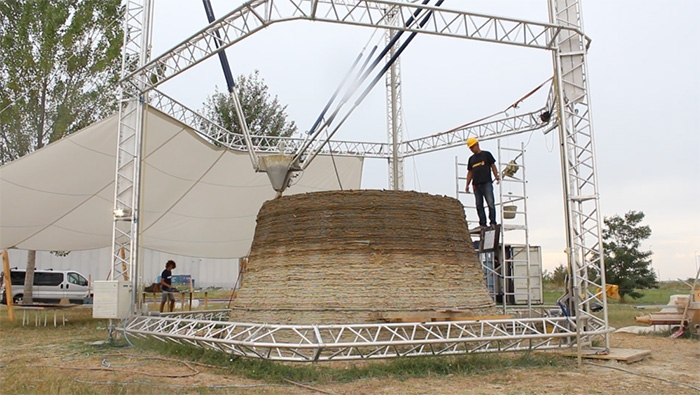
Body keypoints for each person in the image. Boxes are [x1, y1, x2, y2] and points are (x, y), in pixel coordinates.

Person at [465, 137, 499, 228]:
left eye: (472, 147)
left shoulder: (486, 154)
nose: (472, 149)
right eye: (470, 148)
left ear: (477, 145)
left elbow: (493, 166)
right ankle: (482, 223)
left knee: (490, 203)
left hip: (486, 183)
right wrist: (467, 184)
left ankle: (493, 222)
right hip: (476, 185)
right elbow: (470, 172)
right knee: (479, 205)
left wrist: (496, 176)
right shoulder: (471, 159)